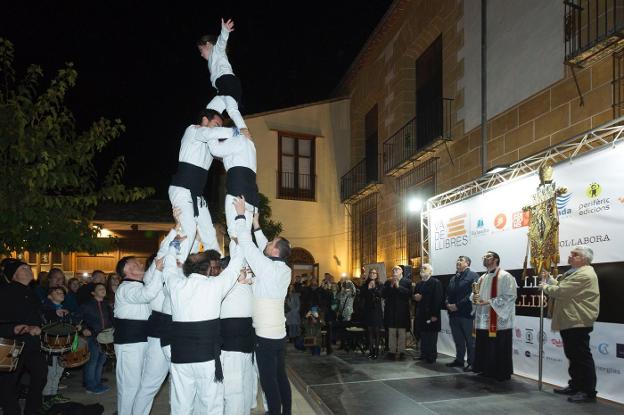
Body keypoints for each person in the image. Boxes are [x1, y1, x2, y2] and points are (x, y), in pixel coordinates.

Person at [163, 234, 244, 415]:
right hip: (207, 357)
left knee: (181, 405)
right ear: (207, 270)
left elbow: (168, 266)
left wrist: (175, 243)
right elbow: (235, 267)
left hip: (180, 356)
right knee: (211, 405)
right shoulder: (214, 286)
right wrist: (236, 244)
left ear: (186, 269)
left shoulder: (175, 285)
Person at [233, 196, 292, 415]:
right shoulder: (283, 269)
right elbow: (262, 246)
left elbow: (248, 245)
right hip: (278, 333)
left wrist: (241, 216)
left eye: (271, 243)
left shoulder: (267, 268)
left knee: (269, 382)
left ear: (275, 251)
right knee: (280, 376)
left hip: (266, 336)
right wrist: (257, 224)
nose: (267, 243)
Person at [169, 109, 238, 259]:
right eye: (217, 124)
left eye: (220, 125)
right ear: (205, 120)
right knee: (188, 230)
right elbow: (209, 134)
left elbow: (224, 152)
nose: (219, 128)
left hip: (197, 196)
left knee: (209, 234)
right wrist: (235, 131)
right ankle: (171, 262)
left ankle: (214, 266)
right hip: (182, 189)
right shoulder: (193, 130)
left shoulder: (211, 145)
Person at [540, 246, 600, 403]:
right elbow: (563, 285)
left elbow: (561, 291)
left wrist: (545, 287)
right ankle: (575, 386)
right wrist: (550, 280)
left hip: (578, 320)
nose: (571, 256)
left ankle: (588, 392)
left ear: (585, 259)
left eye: (575, 255)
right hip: (571, 320)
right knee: (573, 356)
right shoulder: (576, 272)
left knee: (581, 357)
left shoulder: (584, 274)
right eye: (571, 254)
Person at [132, 229, 180, 415]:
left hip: (177, 329)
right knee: (150, 383)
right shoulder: (151, 276)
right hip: (159, 330)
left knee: (179, 383)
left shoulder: (175, 277)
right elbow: (163, 252)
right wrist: (176, 233)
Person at [113, 255, 164, 415]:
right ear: (127, 270)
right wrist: (158, 270)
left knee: (142, 385)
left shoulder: (137, 285)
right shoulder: (126, 287)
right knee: (130, 387)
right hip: (129, 343)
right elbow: (147, 295)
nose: (140, 264)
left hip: (142, 340)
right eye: (135, 263)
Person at [0, 260, 47, 415]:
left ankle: (32, 410)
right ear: (14, 275)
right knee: (8, 383)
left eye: (29, 267)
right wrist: (13, 328)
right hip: (11, 344)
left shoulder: (31, 292)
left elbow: (35, 317)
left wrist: (38, 326)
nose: (29, 270)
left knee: (40, 375)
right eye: (23, 268)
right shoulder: (5, 292)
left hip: (31, 344)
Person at [207, 128, 258, 252]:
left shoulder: (238, 139)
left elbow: (215, 149)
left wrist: (209, 132)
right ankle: (243, 268)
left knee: (235, 235)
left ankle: (237, 269)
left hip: (237, 194)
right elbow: (219, 155)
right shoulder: (250, 146)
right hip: (251, 197)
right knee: (245, 236)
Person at [198, 18, 250, 135]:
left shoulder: (216, 51)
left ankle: (244, 131)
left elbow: (221, 43)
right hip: (222, 88)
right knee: (210, 110)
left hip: (229, 83)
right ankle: (205, 129)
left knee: (231, 109)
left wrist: (225, 31)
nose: (201, 54)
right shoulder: (211, 61)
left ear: (208, 44)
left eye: (201, 50)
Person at [472, 251, 517, 381]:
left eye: (488, 256)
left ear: (496, 259)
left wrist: (489, 302)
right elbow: (476, 294)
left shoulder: (505, 276)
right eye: (484, 257)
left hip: (498, 320)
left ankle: (501, 372)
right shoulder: (482, 277)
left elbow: (510, 296)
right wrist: (474, 298)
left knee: (499, 346)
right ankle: (486, 369)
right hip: (483, 318)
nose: (485, 258)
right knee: (485, 345)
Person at [220, 263, 257, 415]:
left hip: (233, 345)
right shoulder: (247, 286)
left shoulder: (230, 287)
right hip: (244, 342)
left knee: (235, 388)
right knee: (243, 384)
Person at [41, 286, 84, 406]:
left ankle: (53, 393)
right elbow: (43, 317)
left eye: (62, 293)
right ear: (49, 296)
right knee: (50, 372)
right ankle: (47, 397)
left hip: (63, 346)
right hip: (50, 347)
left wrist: (76, 326)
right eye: (57, 292)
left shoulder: (64, 309)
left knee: (59, 371)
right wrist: (55, 313)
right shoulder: (45, 307)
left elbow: (69, 323)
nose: (61, 294)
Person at [445, 255, 479, 371]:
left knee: (470, 341)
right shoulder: (454, 278)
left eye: (461, 260)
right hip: (453, 314)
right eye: (457, 260)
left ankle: (472, 363)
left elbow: (473, 295)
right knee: (458, 339)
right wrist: (447, 304)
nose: (458, 262)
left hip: (466, 314)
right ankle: (459, 360)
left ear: (468, 263)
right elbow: (448, 293)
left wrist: (457, 306)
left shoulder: (473, 276)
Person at [80, 282, 113, 394]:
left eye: (104, 288)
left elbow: (111, 319)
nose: (103, 290)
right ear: (93, 293)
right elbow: (78, 319)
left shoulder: (106, 304)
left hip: (105, 337)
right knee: (92, 361)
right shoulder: (86, 305)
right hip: (93, 337)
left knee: (101, 361)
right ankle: (90, 386)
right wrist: (83, 328)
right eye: (99, 289)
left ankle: (97, 383)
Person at [413, 264, 443, 363]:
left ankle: (431, 356)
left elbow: (437, 299)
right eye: (421, 268)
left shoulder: (435, 282)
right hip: (421, 315)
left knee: (431, 337)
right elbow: (415, 298)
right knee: (423, 336)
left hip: (431, 314)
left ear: (430, 272)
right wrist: (415, 298)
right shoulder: (419, 284)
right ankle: (424, 354)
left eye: (425, 268)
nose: (422, 269)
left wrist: (434, 315)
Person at [382, 265, 412, 360]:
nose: (394, 270)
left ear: (402, 271)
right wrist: (391, 286)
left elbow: (409, 294)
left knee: (401, 331)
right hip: (390, 311)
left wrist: (398, 287)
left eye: (397, 269)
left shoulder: (407, 282)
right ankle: (392, 351)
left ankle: (401, 352)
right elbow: (383, 294)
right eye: (393, 269)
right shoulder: (388, 282)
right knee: (392, 331)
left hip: (402, 311)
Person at [361, 268, 383, 359]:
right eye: (371, 273)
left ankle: (377, 351)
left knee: (376, 332)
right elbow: (362, 295)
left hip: (377, 310)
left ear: (377, 275)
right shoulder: (365, 284)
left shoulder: (380, 284)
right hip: (368, 310)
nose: (373, 274)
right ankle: (371, 351)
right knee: (369, 331)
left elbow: (381, 294)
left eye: (374, 273)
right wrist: (368, 288)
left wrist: (373, 289)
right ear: (369, 274)